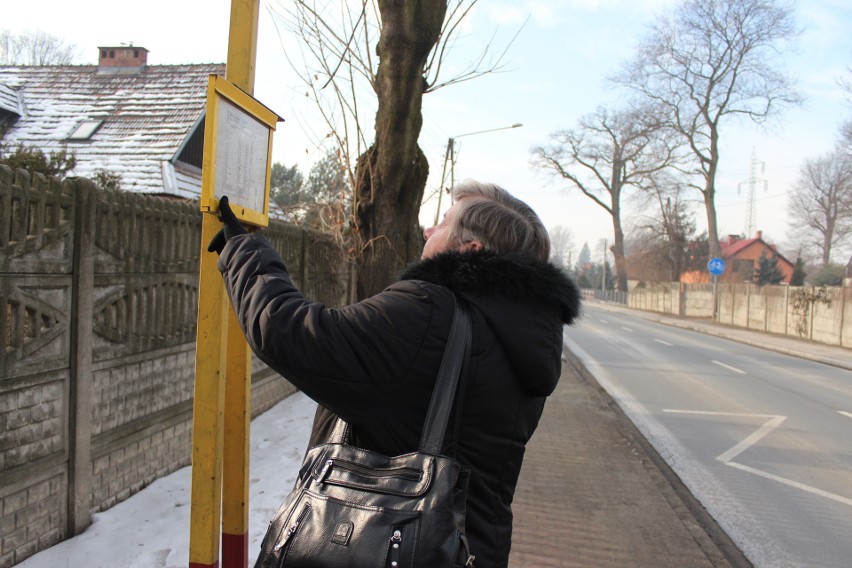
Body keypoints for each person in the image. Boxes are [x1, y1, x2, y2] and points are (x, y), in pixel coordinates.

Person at [208, 181, 581, 568]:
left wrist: (245, 252)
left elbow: (289, 331)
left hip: (387, 545)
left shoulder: (430, 312)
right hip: (470, 549)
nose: (427, 230)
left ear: (472, 251)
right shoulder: (526, 336)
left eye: (443, 223)